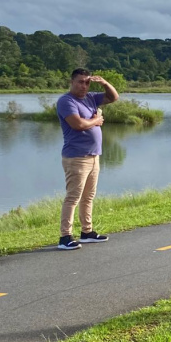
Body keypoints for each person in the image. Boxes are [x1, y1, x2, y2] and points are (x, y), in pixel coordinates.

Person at [56, 68, 118, 250]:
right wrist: (96, 121)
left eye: (87, 82)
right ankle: (65, 237)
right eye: (80, 82)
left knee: (88, 196)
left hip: (93, 156)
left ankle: (87, 232)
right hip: (76, 157)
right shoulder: (66, 101)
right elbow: (78, 124)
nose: (84, 86)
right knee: (73, 197)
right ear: (72, 82)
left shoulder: (91, 97)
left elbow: (114, 98)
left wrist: (105, 83)